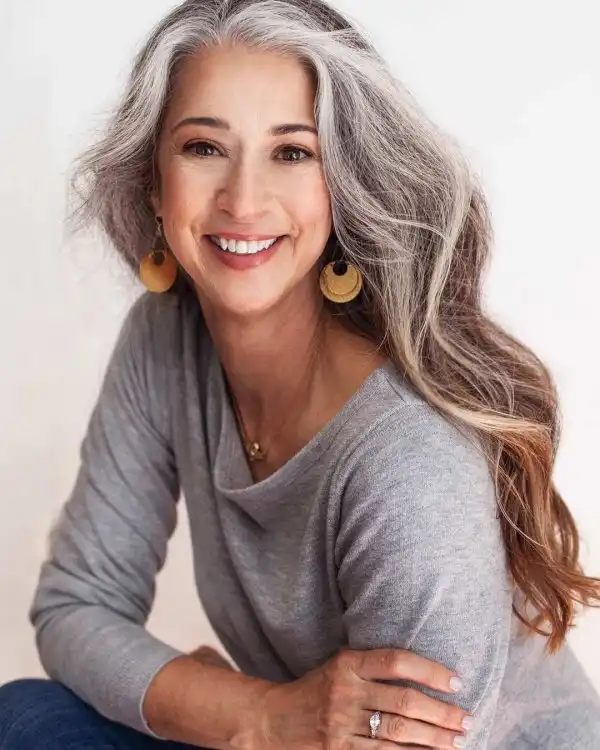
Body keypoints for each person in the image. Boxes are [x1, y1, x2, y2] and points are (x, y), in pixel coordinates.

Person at [1, 0, 599, 748]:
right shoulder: (165, 340)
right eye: (203, 147)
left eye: (292, 152)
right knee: (25, 718)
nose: (243, 200)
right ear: (154, 182)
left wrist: (222, 718)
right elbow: (76, 604)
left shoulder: (408, 459)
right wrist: (248, 713)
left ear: (343, 183)